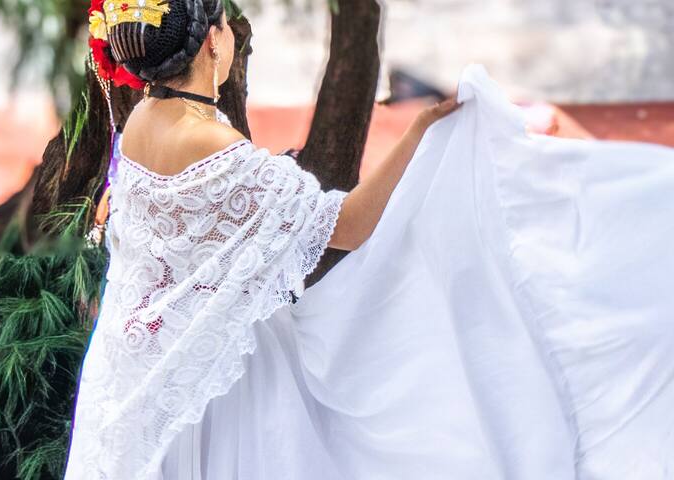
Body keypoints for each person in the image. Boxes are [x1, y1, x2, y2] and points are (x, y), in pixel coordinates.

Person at [68, 0, 674, 478]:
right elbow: (349, 225)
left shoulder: (143, 120)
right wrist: (421, 127)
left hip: (148, 378)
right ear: (212, 41)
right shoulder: (212, 145)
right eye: (227, 27)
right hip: (226, 391)